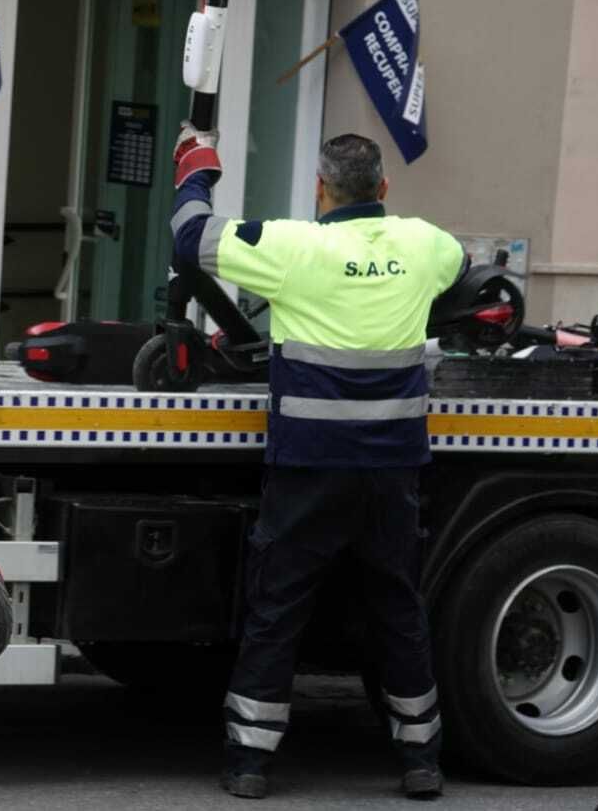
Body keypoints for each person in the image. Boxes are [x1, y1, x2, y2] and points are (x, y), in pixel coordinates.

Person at [169, 127, 465, 802]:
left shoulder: (295, 247)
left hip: (310, 467)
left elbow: (190, 239)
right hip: (392, 470)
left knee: (279, 609)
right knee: (397, 606)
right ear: (384, 190)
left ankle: (249, 761)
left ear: (320, 190)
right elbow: (458, 271)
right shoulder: (423, 243)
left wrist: (197, 168)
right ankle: (421, 756)